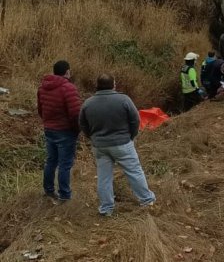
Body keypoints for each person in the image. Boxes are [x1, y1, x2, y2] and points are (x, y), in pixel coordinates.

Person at [78, 74, 156, 216]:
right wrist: (131, 136)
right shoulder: (124, 99)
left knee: (104, 177)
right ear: (113, 84)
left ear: (98, 85)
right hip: (122, 143)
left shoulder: (88, 103)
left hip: (99, 146)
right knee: (134, 171)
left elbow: (83, 124)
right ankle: (147, 200)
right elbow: (135, 120)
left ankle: (106, 209)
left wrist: (93, 137)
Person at [37, 60, 81, 201]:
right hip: (65, 131)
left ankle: (48, 190)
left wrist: (48, 122)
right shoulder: (69, 88)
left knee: (51, 161)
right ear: (67, 72)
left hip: (49, 129)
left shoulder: (42, 88)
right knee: (65, 164)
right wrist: (77, 130)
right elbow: (75, 114)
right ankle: (64, 195)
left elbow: (40, 109)